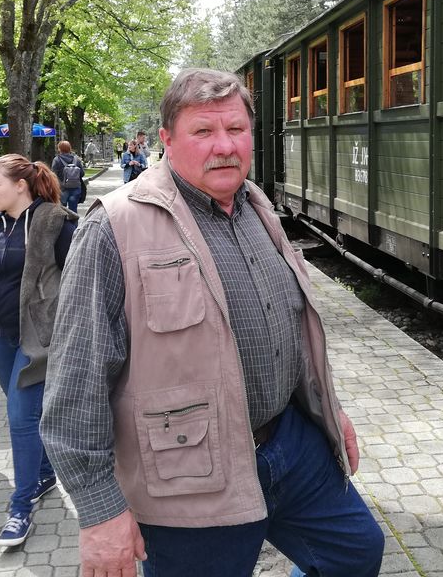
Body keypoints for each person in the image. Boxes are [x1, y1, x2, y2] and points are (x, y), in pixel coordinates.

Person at [42, 69, 385, 577]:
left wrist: (328, 411)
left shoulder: (256, 205)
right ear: (166, 140)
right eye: (203, 131)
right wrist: (100, 511)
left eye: (236, 129)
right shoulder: (114, 225)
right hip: (189, 475)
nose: (224, 146)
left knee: (354, 554)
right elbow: (77, 379)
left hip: (289, 444)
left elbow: (291, 329)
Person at [0, 154, 78, 548]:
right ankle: (43, 474)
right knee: (25, 413)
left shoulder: (56, 223)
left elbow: (79, 279)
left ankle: (20, 507)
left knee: (21, 418)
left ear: (20, 186)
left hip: (36, 340)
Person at [51, 140, 87, 214]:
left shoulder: (57, 160)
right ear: (69, 148)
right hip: (75, 188)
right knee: (73, 210)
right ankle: (74, 221)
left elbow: (53, 175)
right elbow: (82, 173)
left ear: (59, 149)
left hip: (62, 189)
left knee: (62, 210)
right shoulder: (76, 159)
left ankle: (63, 221)